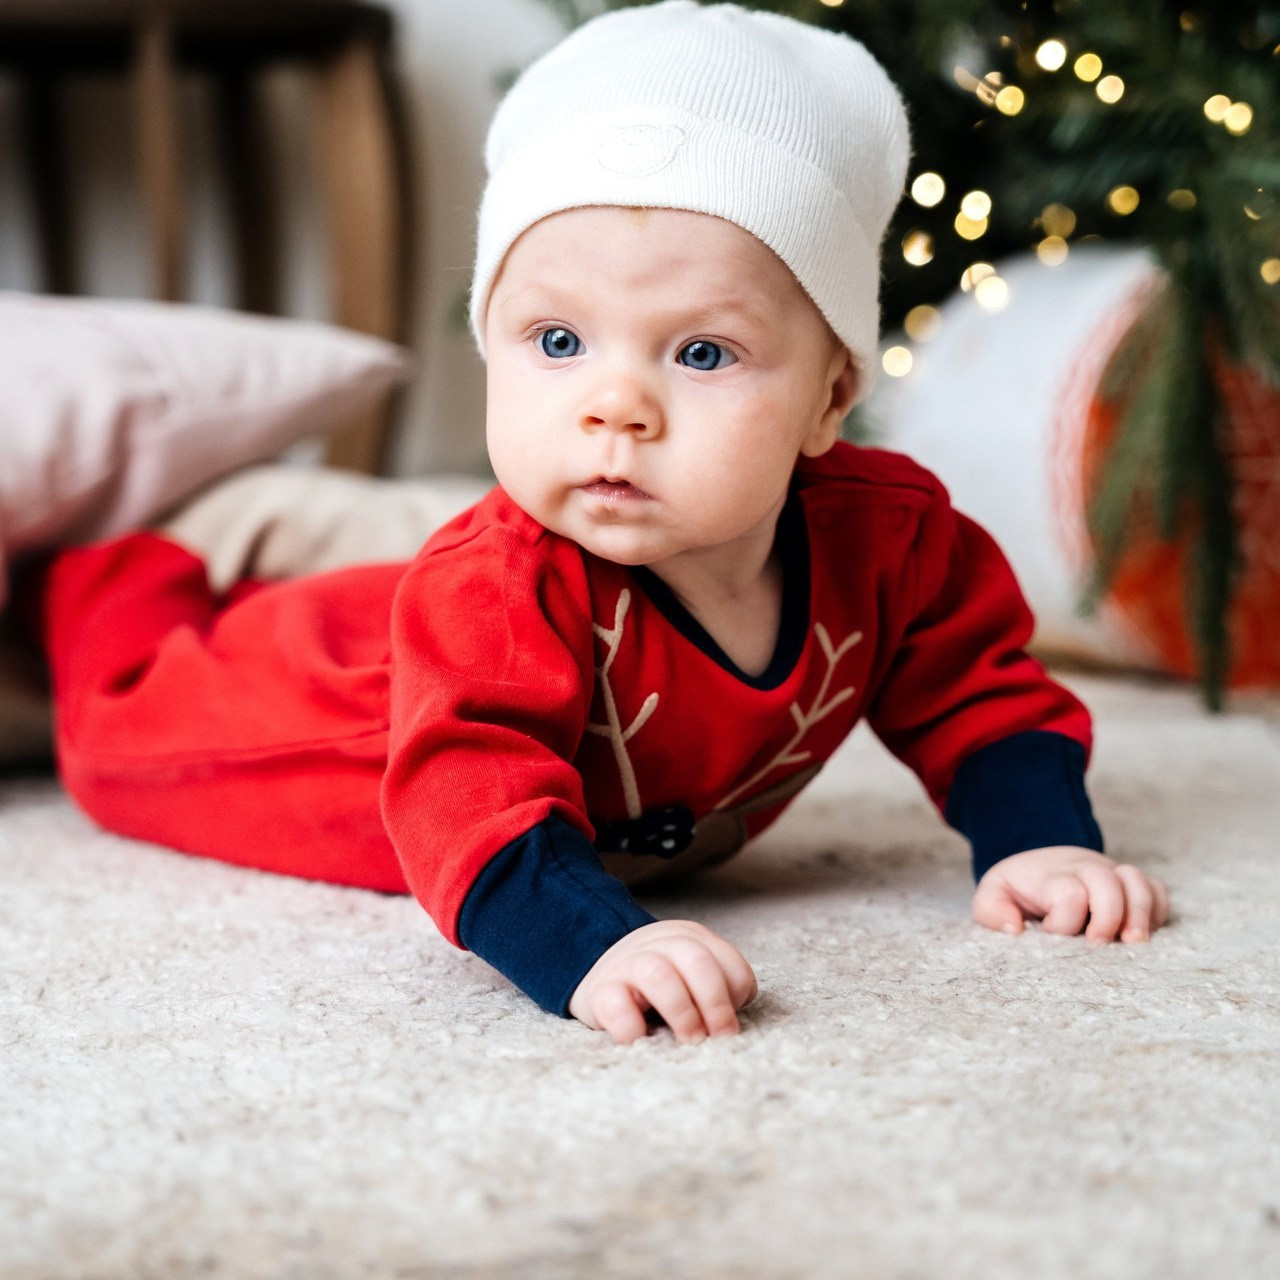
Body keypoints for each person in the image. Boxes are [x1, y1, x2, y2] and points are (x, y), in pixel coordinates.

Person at [35, 1, 1169, 1046]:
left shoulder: (893, 538)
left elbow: (978, 688)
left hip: (417, 619)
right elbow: (463, 786)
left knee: (367, 591)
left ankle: (253, 543)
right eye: (558, 341)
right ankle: (113, 564)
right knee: (111, 728)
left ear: (828, 396)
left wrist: (1039, 838)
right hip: (333, 724)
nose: (613, 405)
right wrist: (591, 938)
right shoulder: (495, 587)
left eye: (702, 352)